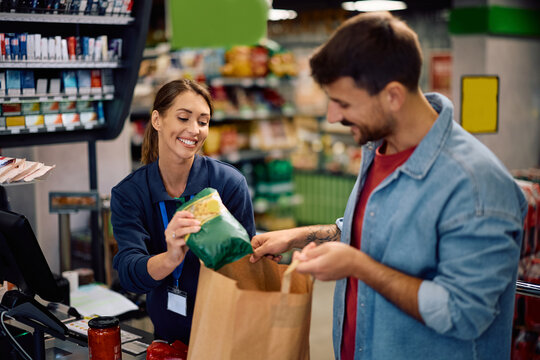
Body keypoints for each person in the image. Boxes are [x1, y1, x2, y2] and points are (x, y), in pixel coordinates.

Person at [250, 12, 526, 359]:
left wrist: (358, 266)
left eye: (344, 103)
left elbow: (463, 313)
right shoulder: (377, 148)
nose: (332, 116)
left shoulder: (475, 184)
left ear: (393, 96)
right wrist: (300, 236)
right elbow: (375, 233)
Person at [111, 79, 256, 345]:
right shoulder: (130, 193)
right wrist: (170, 258)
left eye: (203, 121)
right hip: (166, 338)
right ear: (157, 120)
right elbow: (129, 273)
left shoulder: (228, 183)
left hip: (227, 334)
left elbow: (247, 267)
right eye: (183, 118)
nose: (194, 130)